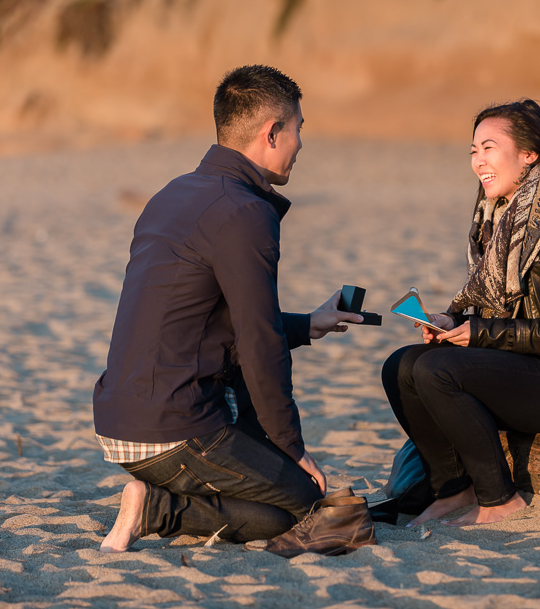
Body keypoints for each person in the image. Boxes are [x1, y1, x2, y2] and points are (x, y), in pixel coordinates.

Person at [93, 64, 365, 552]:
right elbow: (259, 345)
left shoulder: (173, 194)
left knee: (273, 486)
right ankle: (157, 508)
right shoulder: (245, 212)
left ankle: (165, 494)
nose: (301, 143)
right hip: (173, 428)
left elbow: (214, 321)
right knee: (300, 502)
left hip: (119, 420)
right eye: (299, 128)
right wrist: (293, 450)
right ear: (272, 132)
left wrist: (309, 324)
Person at [381, 99, 540, 528]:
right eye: (474, 150)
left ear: (529, 154)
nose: (478, 161)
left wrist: (479, 334)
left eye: (489, 148)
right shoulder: (494, 219)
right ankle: (452, 488)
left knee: (436, 371)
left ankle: (499, 498)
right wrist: (454, 324)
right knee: (402, 366)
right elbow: (494, 309)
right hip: (517, 365)